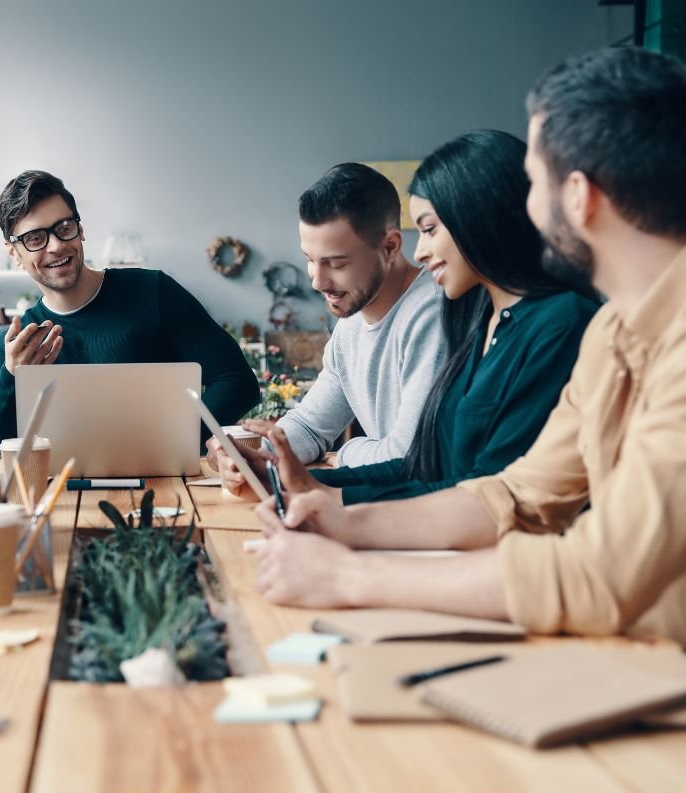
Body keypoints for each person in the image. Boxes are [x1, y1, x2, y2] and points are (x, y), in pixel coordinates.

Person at [251, 47, 686, 645]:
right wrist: (347, 522)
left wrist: (354, 574)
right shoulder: (615, 332)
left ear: (579, 197)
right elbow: (516, 494)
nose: (525, 205)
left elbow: (600, 574)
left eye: (534, 182)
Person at [218, 130, 599, 503]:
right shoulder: (486, 322)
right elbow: (436, 470)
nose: (317, 281)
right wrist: (274, 467)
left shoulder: (476, 315)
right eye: (309, 261)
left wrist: (339, 468)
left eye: (430, 229)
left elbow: (461, 483)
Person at [0, 170, 259, 448]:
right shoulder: (14, 349)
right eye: (34, 238)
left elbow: (237, 381)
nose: (56, 246)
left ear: (81, 229)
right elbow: (2, 441)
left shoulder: (154, 291)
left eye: (64, 228)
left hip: (165, 484)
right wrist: (12, 374)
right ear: (14, 253)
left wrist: (174, 443)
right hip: (65, 490)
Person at [208, 163, 445, 476]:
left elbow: (410, 456)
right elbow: (309, 426)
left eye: (335, 263)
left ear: (390, 247)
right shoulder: (350, 324)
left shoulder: (432, 314)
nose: (317, 282)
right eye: (310, 260)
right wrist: (254, 456)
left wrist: (346, 453)